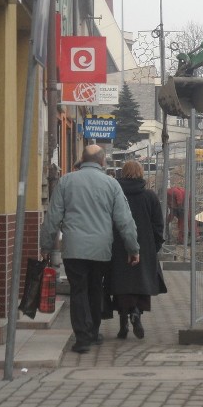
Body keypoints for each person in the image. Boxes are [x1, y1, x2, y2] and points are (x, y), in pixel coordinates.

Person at [40, 145, 140, 354]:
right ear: (102, 162)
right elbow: (125, 220)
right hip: (101, 249)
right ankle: (93, 332)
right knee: (96, 288)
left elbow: (52, 216)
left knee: (78, 291)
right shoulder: (111, 184)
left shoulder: (66, 182)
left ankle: (82, 338)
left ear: (81, 160)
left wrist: (46, 245)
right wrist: (133, 248)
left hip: (74, 248)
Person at [109, 160, 167, 339]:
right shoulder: (149, 197)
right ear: (141, 174)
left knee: (121, 283)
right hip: (144, 246)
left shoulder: (115, 194)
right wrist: (154, 246)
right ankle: (136, 313)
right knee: (140, 283)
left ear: (122, 173)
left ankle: (122, 323)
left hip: (118, 245)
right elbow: (158, 224)